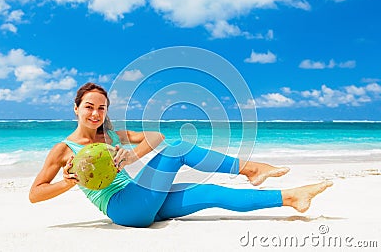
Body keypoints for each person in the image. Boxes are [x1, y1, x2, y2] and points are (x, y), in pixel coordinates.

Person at [29, 82, 333, 228]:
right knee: (180, 149)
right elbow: (35, 194)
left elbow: (156, 136)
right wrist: (69, 182)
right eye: (89, 107)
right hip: (123, 208)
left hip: (141, 198)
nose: (95, 113)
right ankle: (251, 169)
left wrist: (131, 156)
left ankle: (291, 197)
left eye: (101, 107)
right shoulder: (63, 149)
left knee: (211, 192)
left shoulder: (108, 136)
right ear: (76, 109)